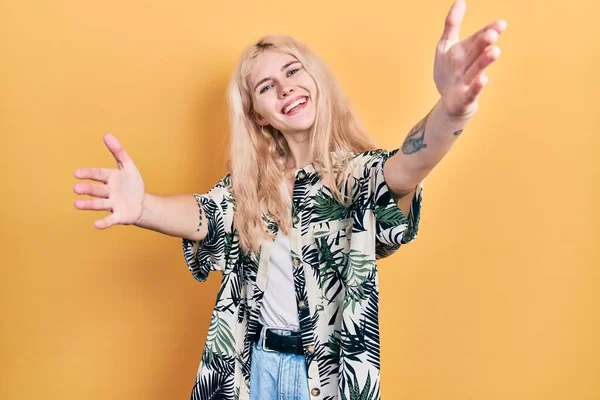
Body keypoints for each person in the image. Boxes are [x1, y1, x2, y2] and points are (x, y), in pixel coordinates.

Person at [73, 1, 506, 399]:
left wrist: (451, 110)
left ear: (315, 78)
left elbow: (410, 164)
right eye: (267, 86)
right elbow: (204, 216)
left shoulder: (354, 175)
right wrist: (142, 206)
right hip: (253, 368)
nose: (285, 88)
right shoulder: (251, 187)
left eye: (294, 71)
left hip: (325, 378)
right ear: (258, 114)